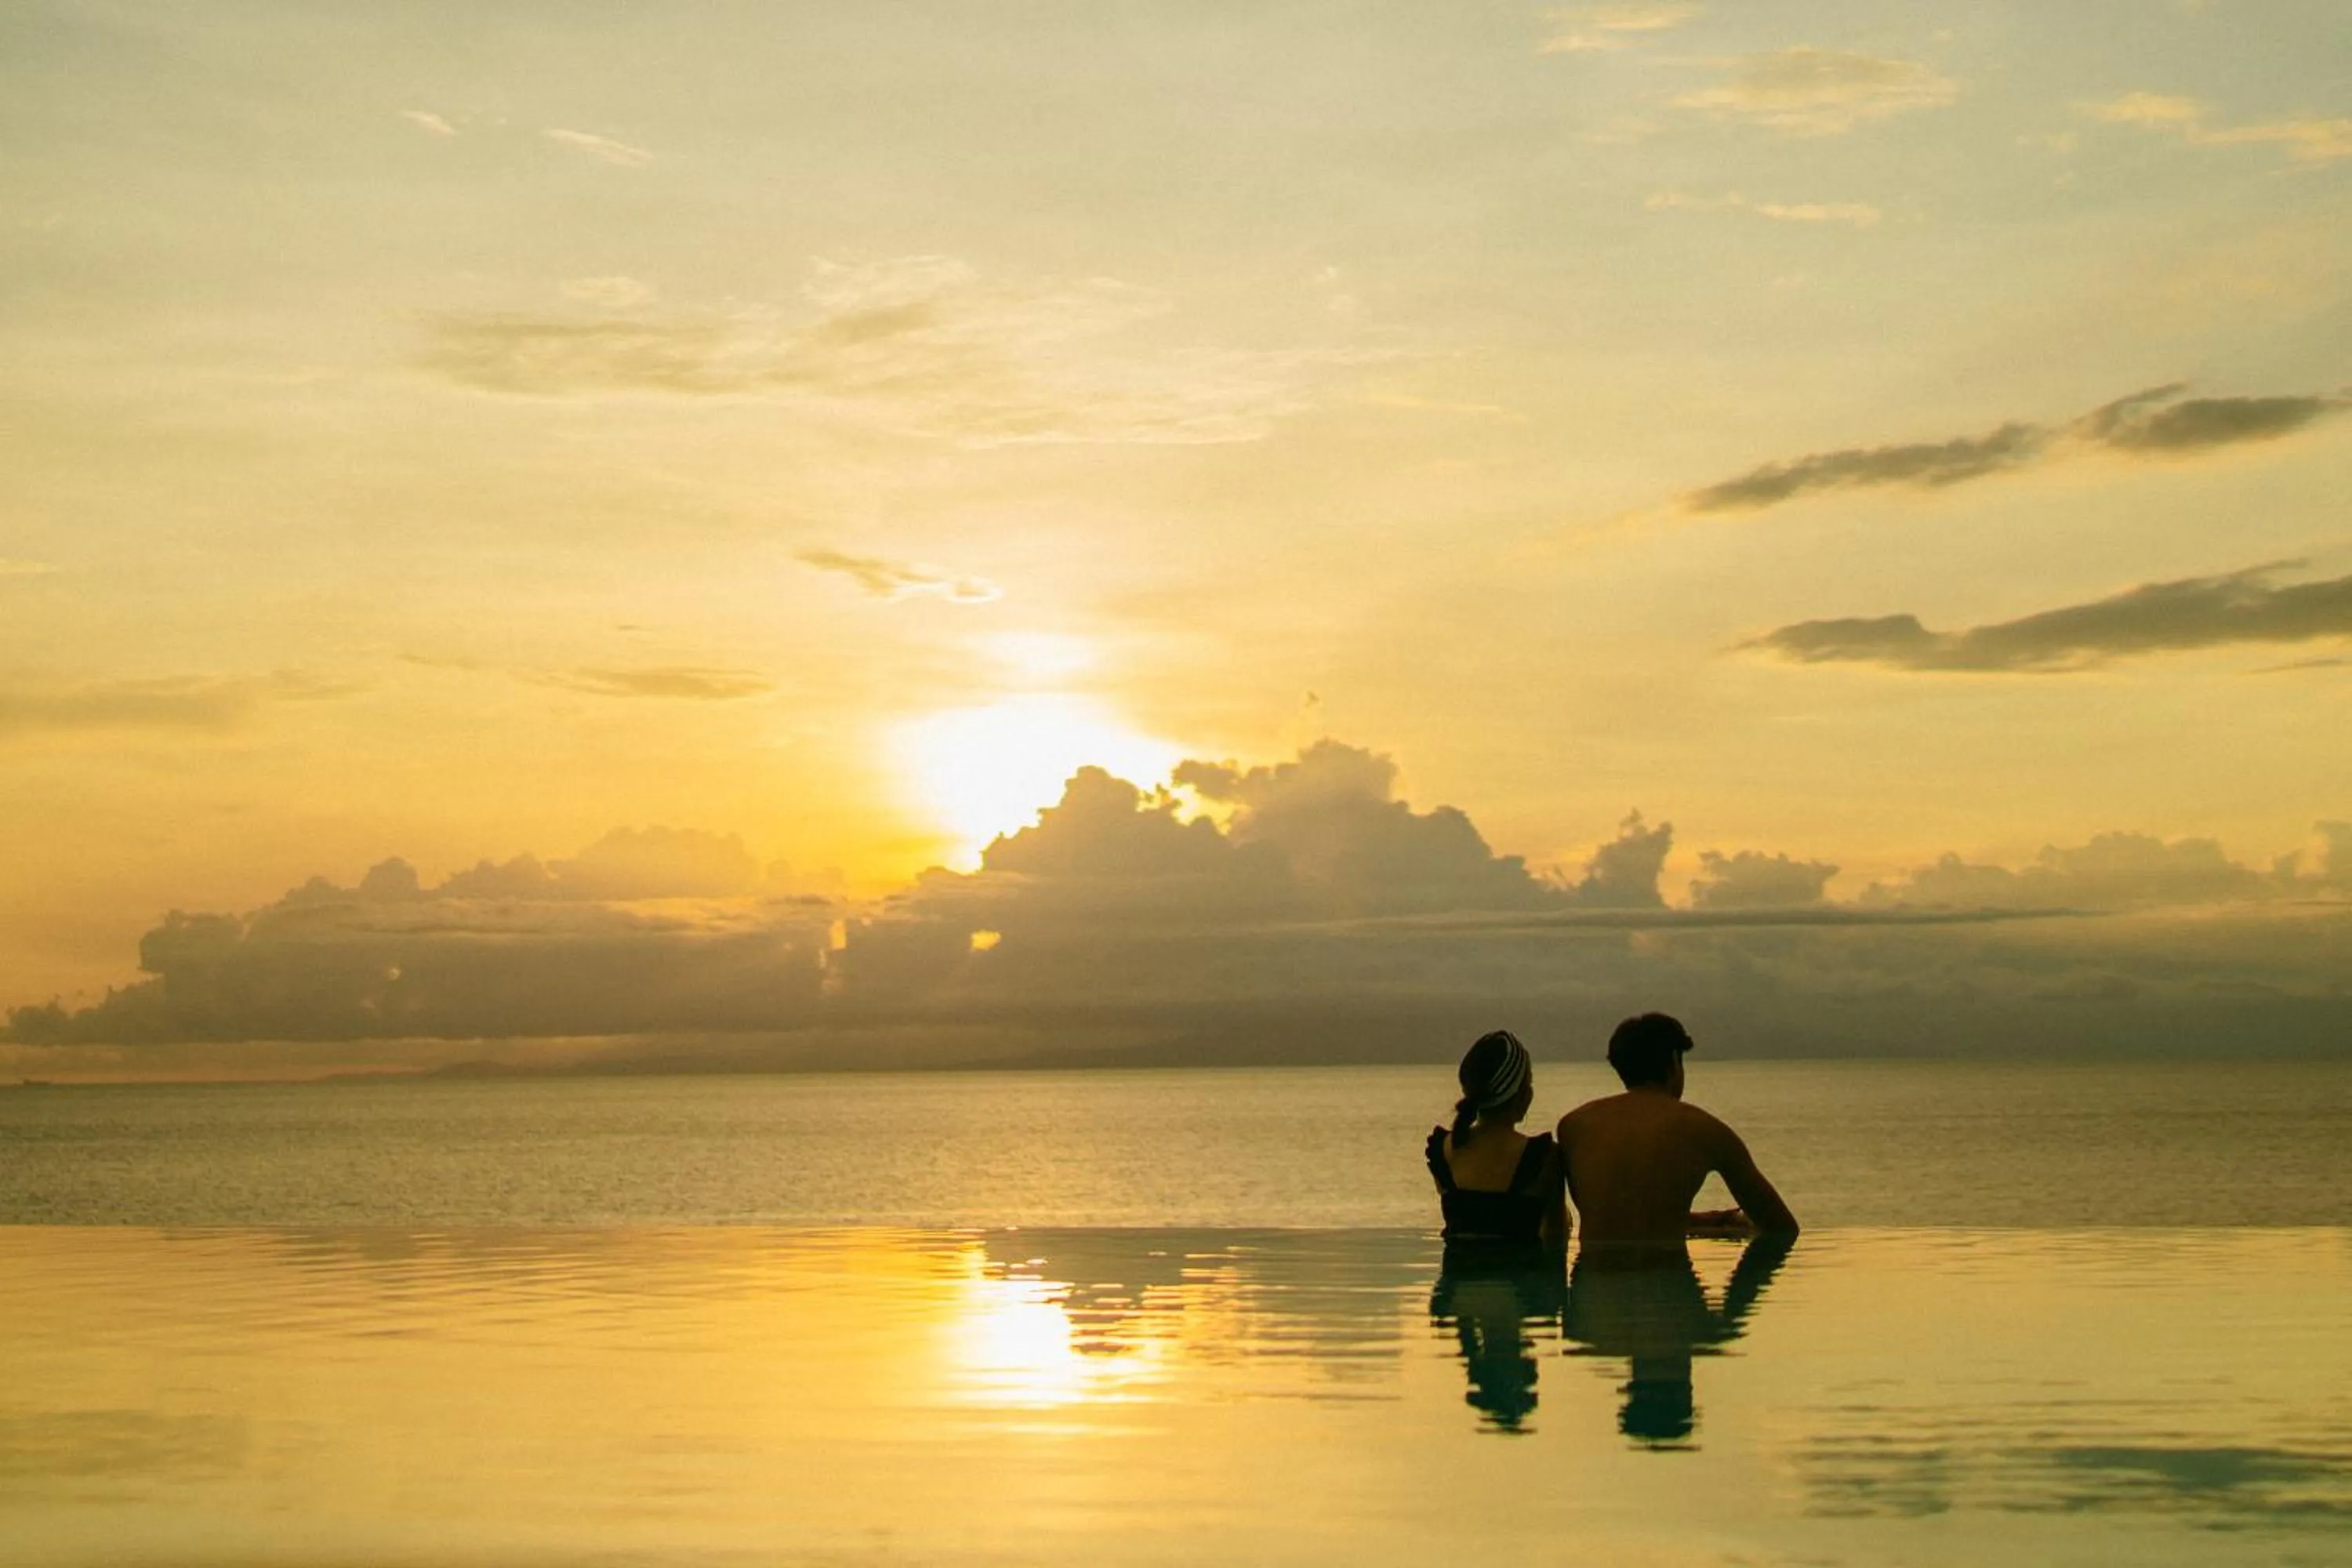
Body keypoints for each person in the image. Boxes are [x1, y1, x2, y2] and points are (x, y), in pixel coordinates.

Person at [1555, 1012, 1798, 1246]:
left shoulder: (1574, 1127)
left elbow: (1618, 1216)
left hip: (1592, 1283)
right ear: (1673, 1061)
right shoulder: (1705, 1129)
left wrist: (1700, 1222)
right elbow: (1781, 1227)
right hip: (1668, 1281)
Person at [1425, 1029, 1569, 1248]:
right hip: (1523, 1279)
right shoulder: (1543, 1158)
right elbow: (1556, 1236)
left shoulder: (1444, 1151)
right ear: (1523, 1095)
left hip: (1457, 1280)